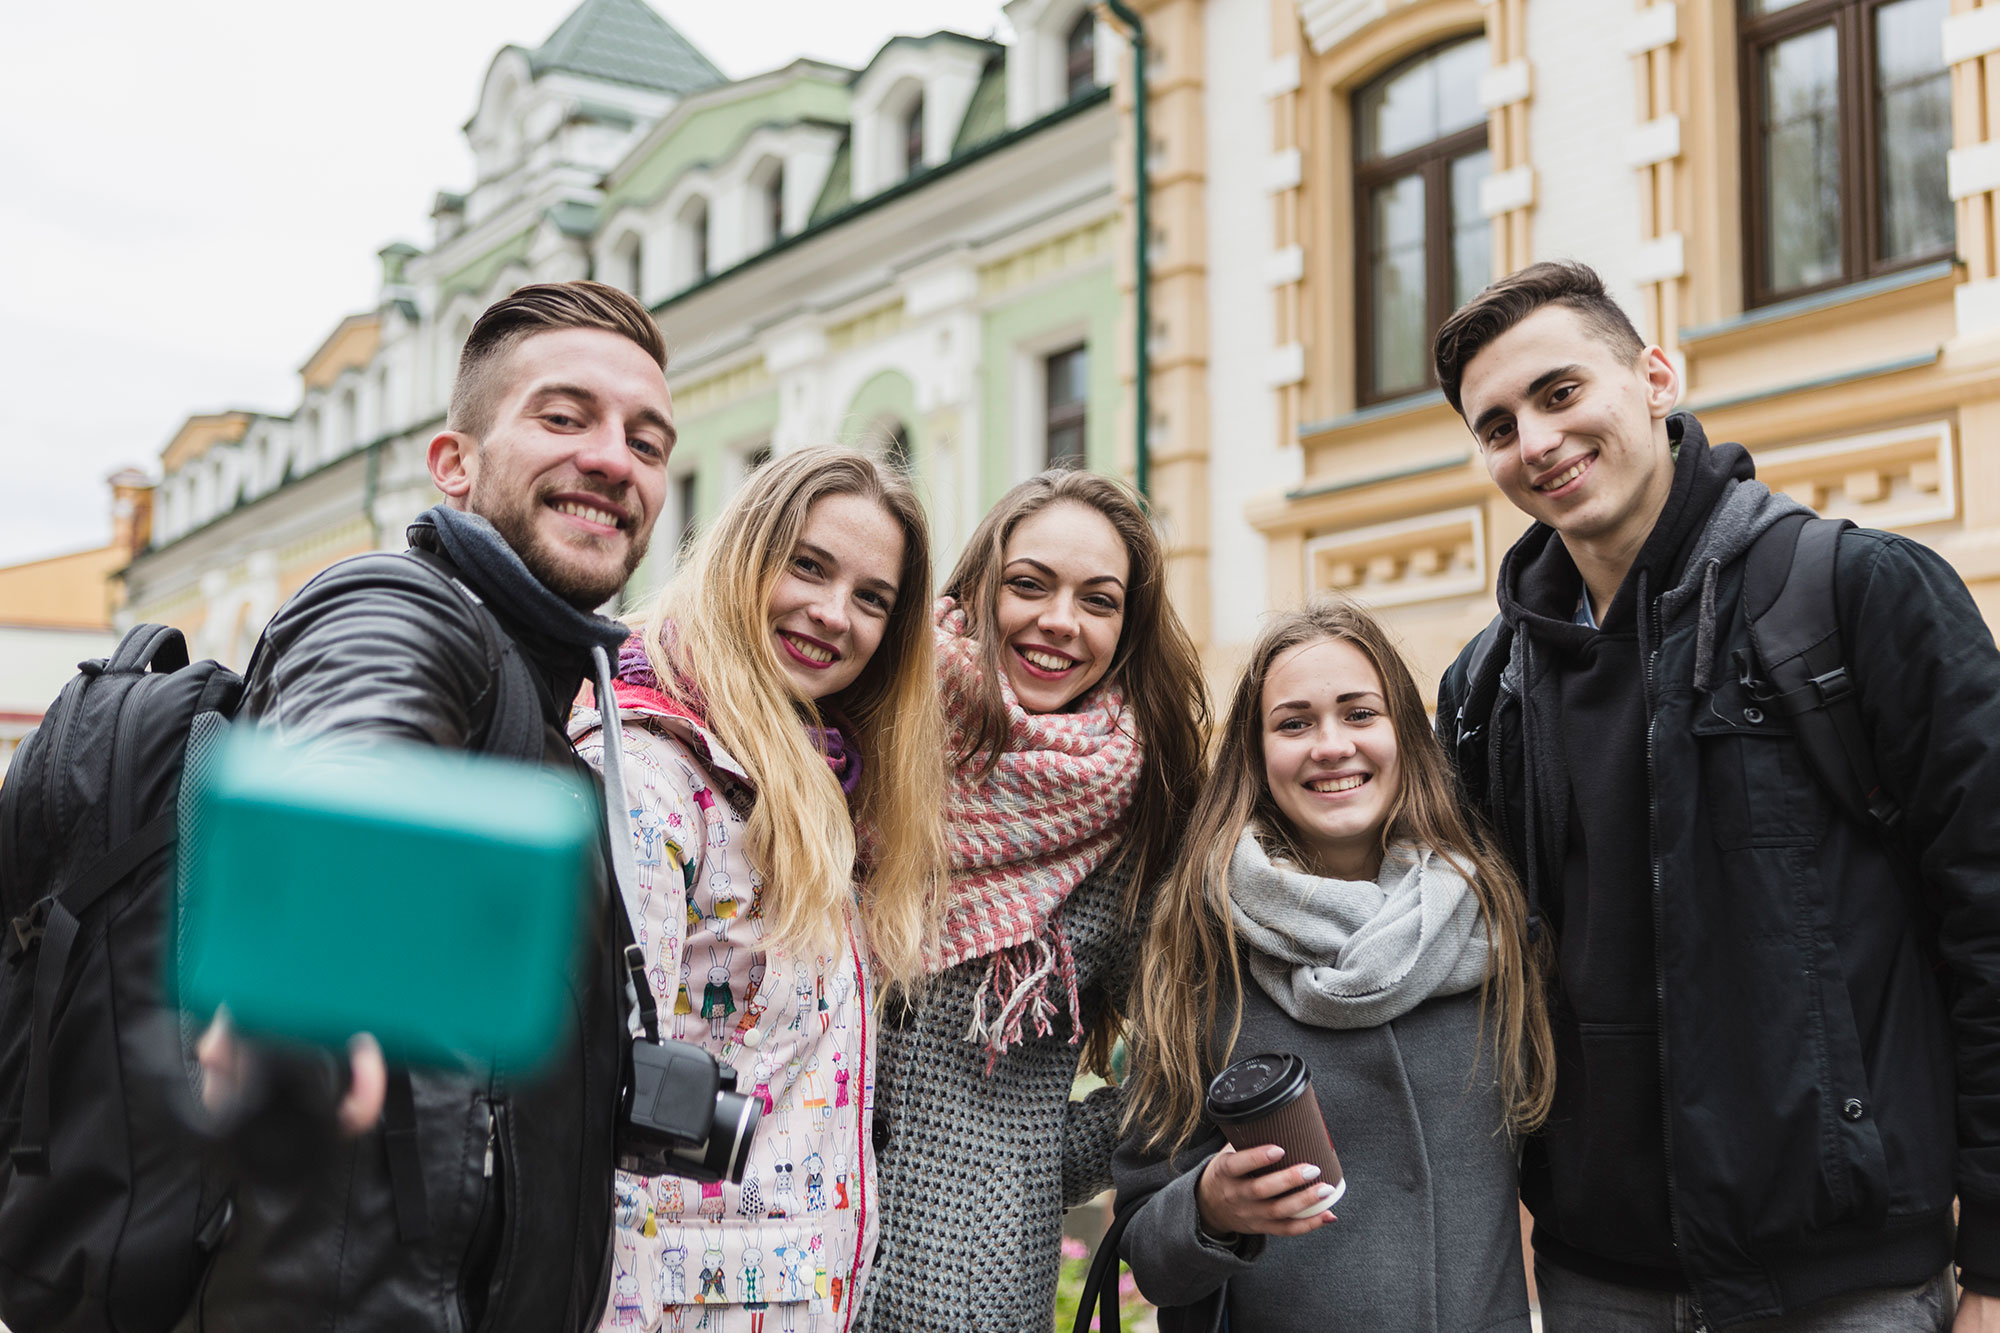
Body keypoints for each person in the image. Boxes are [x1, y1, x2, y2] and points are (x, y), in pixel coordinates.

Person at [1432, 260, 2000, 1331]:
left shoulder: (1855, 595)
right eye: (1496, 425)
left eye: (1560, 393)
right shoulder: (1481, 690)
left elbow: (1987, 920)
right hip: (1598, 1280)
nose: (1535, 442)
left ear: (1655, 376)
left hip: (1848, 1281)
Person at [186, 281, 674, 1331]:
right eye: (562, 416)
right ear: (454, 466)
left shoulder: (542, 701)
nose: (613, 459)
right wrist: (318, 957)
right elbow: (359, 739)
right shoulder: (397, 603)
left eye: (647, 439)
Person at [574, 445, 944, 1332]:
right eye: (808, 566)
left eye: (871, 598)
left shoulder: (823, 784)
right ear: (745, 554)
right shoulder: (655, 778)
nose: (833, 615)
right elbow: (593, 1096)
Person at [1109, 596, 1551, 1332]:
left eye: (1358, 713)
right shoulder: (1199, 944)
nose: (1330, 744)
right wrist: (1211, 1205)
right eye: (1293, 723)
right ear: (1256, 754)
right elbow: (1148, 1251)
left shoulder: (1493, 918)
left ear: (1405, 735)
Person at [854, 468, 1209, 1331]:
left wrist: (1034, 1158)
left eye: (1099, 600)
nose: (1060, 621)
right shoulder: (865, 743)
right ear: (977, 587)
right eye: (1029, 584)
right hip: (789, 1261)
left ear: (1127, 629)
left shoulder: (1137, 828)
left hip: (970, 1295)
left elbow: (1187, 1057)